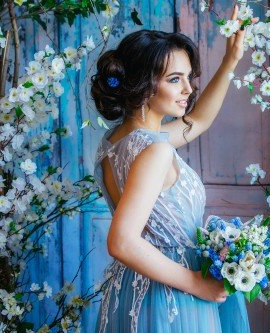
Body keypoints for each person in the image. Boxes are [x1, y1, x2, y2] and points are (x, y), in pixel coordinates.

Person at [91, 6, 254, 333]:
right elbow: (122, 242)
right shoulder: (155, 149)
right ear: (143, 83)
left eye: (188, 78)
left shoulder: (114, 142)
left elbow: (199, 121)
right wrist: (196, 283)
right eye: (174, 79)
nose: (188, 90)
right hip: (170, 299)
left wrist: (230, 60)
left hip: (130, 291)